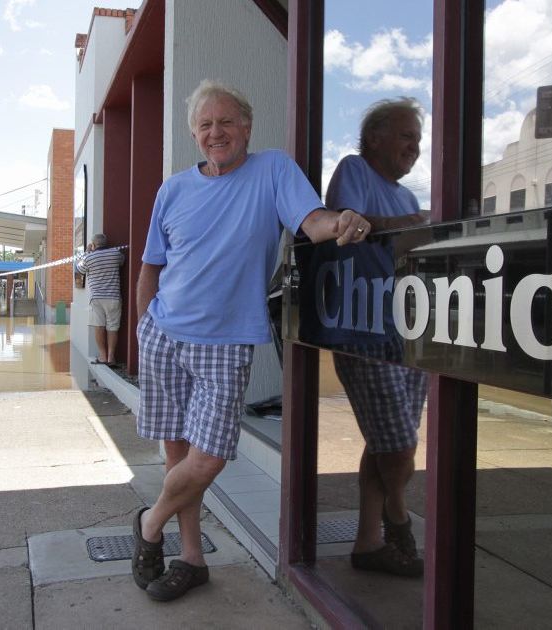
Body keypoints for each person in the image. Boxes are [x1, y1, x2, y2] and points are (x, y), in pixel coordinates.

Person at [132, 79, 372, 602]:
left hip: (225, 342)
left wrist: (342, 221)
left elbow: (311, 222)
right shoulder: (172, 189)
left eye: (225, 122)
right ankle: (191, 559)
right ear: (194, 133)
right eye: (205, 125)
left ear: (247, 126)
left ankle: (149, 525)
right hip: (164, 335)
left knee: (209, 457)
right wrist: (142, 326)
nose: (215, 133)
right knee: (179, 458)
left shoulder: (273, 171)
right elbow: (151, 265)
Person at [325, 98, 430, 577]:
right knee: (398, 445)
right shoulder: (354, 170)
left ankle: (368, 546)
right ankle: (399, 518)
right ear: (375, 138)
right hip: (362, 328)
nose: (416, 145)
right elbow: (348, 225)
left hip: (406, 330)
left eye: (417, 137)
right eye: (407, 135)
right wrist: (415, 225)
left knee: (387, 440)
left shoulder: (407, 198)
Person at [75, 233, 125, 365]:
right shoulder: (115, 254)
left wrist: (87, 252)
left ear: (93, 244)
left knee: (99, 327)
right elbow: (122, 260)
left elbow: (79, 269)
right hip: (113, 297)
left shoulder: (89, 258)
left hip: (97, 298)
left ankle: (102, 356)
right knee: (113, 327)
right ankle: (111, 357)